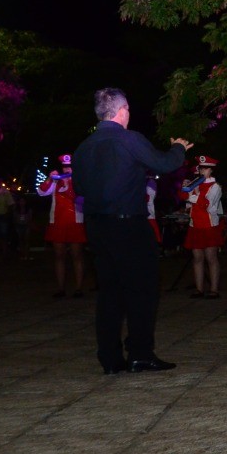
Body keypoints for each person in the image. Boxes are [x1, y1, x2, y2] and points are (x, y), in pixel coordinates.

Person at [71, 87, 190, 374]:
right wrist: (179, 148)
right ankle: (140, 353)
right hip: (128, 225)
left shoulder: (83, 147)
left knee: (110, 291)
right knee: (142, 289)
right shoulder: (128, 139)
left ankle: (110, 359)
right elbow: (165, 163)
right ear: (122, 111)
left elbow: (81, 189)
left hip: (98, 226)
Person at [37, 154, 87, 298]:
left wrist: (70, 181)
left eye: (70, 166)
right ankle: (61, 288)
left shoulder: (79, 180)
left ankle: (78, 289)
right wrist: (49, 178)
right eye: (65, 166)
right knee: (59, 256)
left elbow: (82, 197)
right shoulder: (55, 181)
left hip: (75, 222)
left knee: (77, 255)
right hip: (57, 222)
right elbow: (41, 192)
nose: (67, 168)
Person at [181, 156, 223, 298]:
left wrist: (193, 194)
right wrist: (185, 186)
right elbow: (183, 197)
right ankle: (199, 288)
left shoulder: (215, 186)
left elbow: (206, 204)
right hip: (195, 225)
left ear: (211, 170)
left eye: (205, 168)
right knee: (197, 257)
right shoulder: (195, 183)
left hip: (209, 225)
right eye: (201, 168)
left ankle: (214, 289)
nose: (202, 171)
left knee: (211, 257)